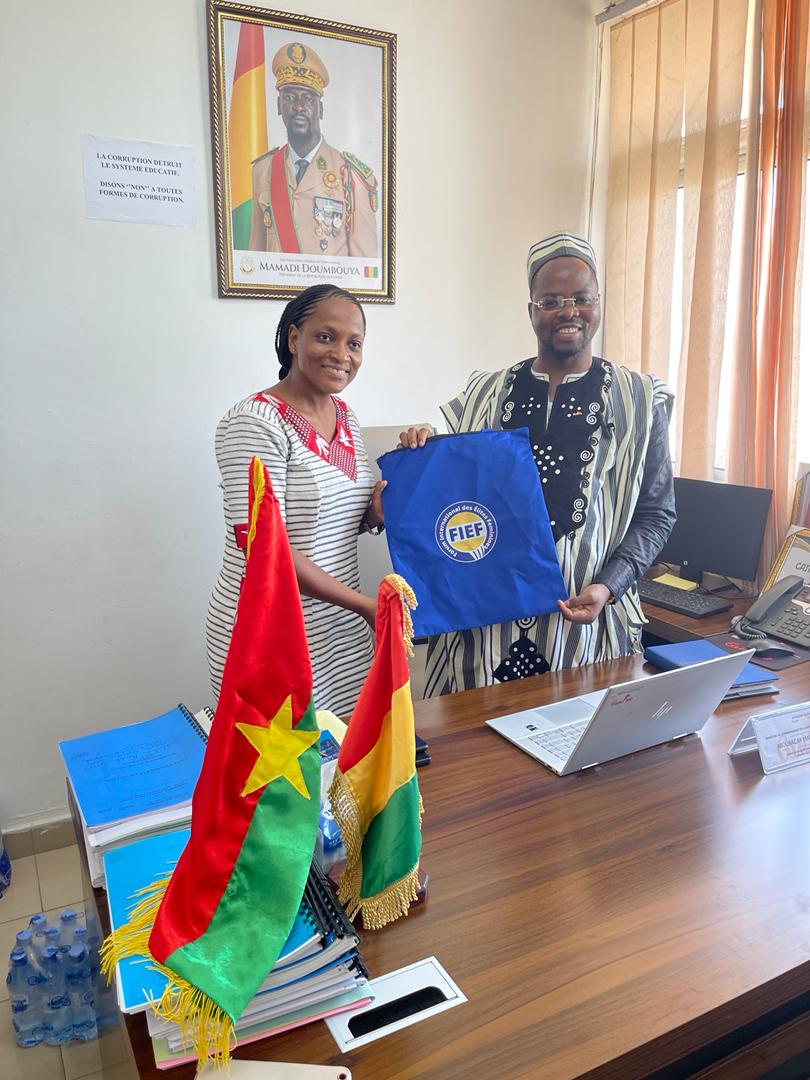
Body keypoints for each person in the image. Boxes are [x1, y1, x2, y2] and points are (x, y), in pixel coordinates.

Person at [399, 232, 676, 696]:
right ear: (531, 311)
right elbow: (449, 497)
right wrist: (420, 451)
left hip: (587, 635)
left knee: (578, 738)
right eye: (551, 301)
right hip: (481, 637)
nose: (569, 311)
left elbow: (656, 514)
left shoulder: (641, 399)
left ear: (598, 304)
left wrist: (610, 586)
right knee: (476, 742)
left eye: (582, 298)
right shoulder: (485, 393)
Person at [206, 283, 385, 716]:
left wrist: (374, 512)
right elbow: (266, 550)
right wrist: (366, 606)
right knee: (283, 759)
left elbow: (331, 520)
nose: (341, 354)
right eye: (326, 336)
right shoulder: (254, 422)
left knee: (343, 752)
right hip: (272, 633)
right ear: (293, 338)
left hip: (339, 632)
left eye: (354, 343)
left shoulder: (345, 417)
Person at [248, 42, 379, 258]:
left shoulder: (351, 175)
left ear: (321, 109)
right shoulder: (263, 170)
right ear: (279, 106)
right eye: (290, 97)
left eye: (308, 98)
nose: (299, 106)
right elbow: (255, 256)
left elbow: (363, 266)